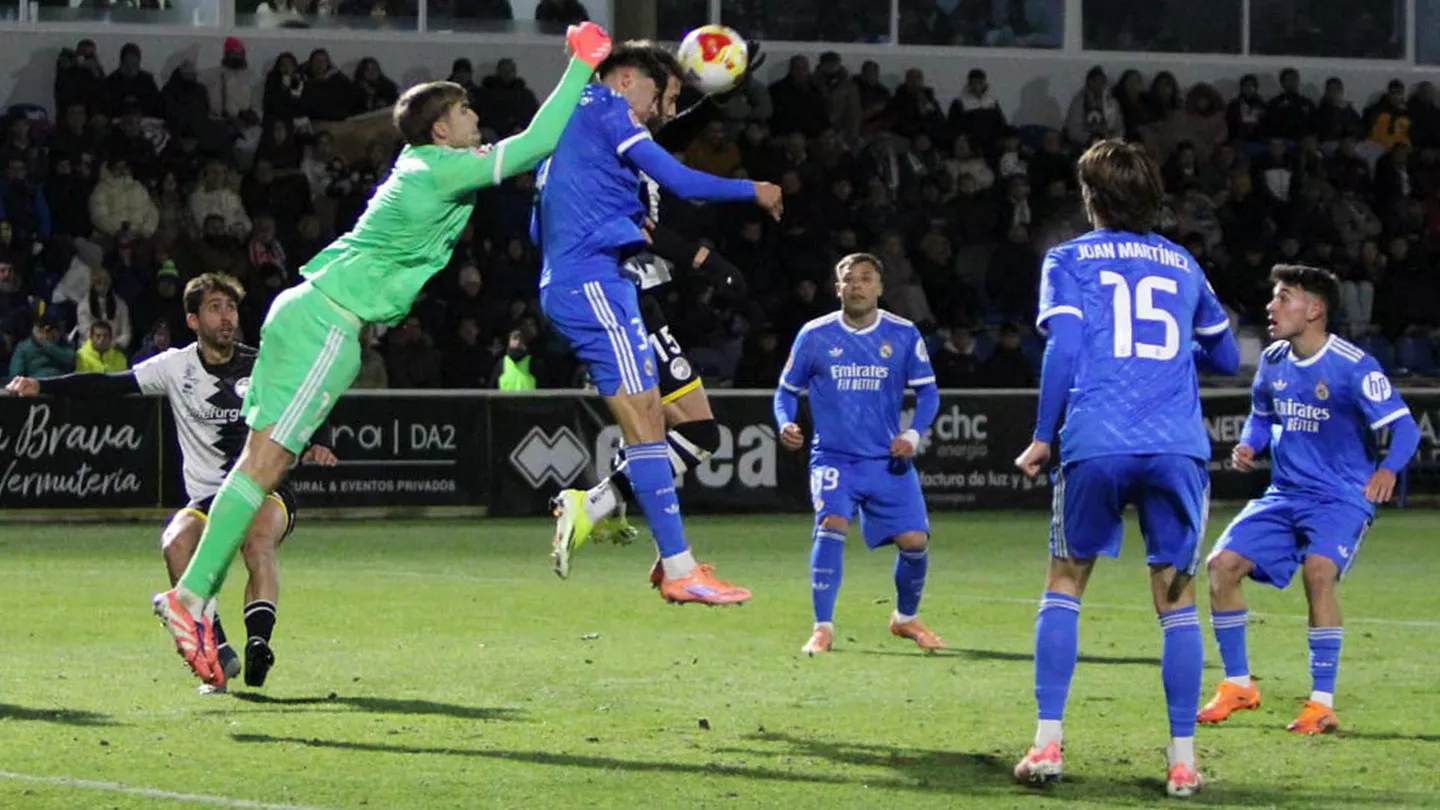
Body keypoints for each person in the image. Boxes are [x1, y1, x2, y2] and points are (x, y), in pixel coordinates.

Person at [149, 24, 615, 688]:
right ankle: (189, 601)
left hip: (310, 311)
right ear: (442, 132)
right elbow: (535, 144)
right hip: (328, 324)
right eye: (466, 112)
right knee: (262, 471)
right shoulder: (436, 169)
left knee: (257, 469)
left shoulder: (426, 167)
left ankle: (189, 599)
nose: (476, 118)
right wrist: (580, 65)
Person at [1010, 139, 1240, 797]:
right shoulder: (1184, 262)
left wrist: (1041, 435)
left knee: (1065, 581)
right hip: (1176, 443)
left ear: (1092, 198)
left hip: (1098, 436)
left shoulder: (1069, 258)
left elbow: (1065, 348)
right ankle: (1183, 761)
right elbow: (1224, 356)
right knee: (1176, 601)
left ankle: (1047, 744)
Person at [535, 40, 781, 605]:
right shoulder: (602, 109)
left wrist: (717, 102)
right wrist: (754, 189)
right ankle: (675, 566)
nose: (658, 111)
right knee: (649, 420)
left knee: (671, 424)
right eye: (659, 96)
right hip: (596, 282)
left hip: (600, 281)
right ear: (624, 79)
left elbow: (664, 145)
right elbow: (682, 178)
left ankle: (661, 553)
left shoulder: (584, 120)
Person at [7, 274, 338, 692]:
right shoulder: (174, 366)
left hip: (264, 486)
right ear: (193, 319)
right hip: (208, 496)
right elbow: (109, 386)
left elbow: (312, 402)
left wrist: (320, 443)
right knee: (174, 542)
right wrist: (42, 386)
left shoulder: (262, 364)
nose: (226, 317)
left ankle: (258, 645)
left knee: (257, 539)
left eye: (230, 308)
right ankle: (216, 650)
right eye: (215, 308)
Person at [1198, 265, 1419, 735]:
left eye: (1283, 298)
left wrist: (1386, 469)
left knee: (1318, 572)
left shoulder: (1352, 366)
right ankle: (1239, 685)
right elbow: (1261, 415)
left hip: (1340, 498)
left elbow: (1402, 427)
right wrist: (1251, 444)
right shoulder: (1274, 360)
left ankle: (1321, 704)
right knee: (1220, 566)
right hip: (1284, 494)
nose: (1271, 307)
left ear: (1314, 309)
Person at [547, 182, 749, 580]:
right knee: (695, 432)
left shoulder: (612, 148)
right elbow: (641, 226)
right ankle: (596, 507)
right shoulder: (615, 147)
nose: (667, 113)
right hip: (624, 301)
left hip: (637, 301)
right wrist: (707, 260)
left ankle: (660, 549)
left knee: (663, 434)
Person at [773, 252, 943, 655]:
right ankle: (823, 627)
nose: (858, 285)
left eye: (867, 278)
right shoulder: (814, 335)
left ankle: (904, 619)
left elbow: (929, 392)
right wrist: (785, 422)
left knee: (915, 542)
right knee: (832, 524)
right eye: (850, 279)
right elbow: (785, 391)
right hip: (834, 458)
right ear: (838, 288)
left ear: (880, 288)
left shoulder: (902, 335)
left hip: (887, 459)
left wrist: (914, 434)